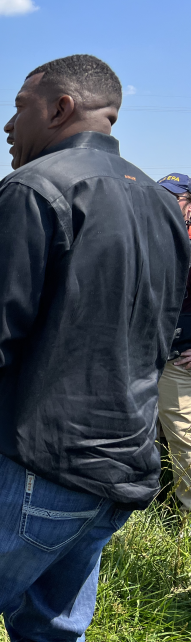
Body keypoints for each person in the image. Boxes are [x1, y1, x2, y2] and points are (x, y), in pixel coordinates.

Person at [0, 55, 190, 641]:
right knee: (53, 632)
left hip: (30, 465)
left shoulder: (34, 188)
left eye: (19, 107)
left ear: (61, 108)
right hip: (119, 470)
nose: (8, 126)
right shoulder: (161, 205)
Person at [156, 173, 191, 517]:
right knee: (150, 437)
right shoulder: (155, 237)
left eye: (175, 198)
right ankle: (151, 501)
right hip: (148, 356)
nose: (166, 203)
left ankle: (187, 520)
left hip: (178, 360)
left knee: (183, 441)